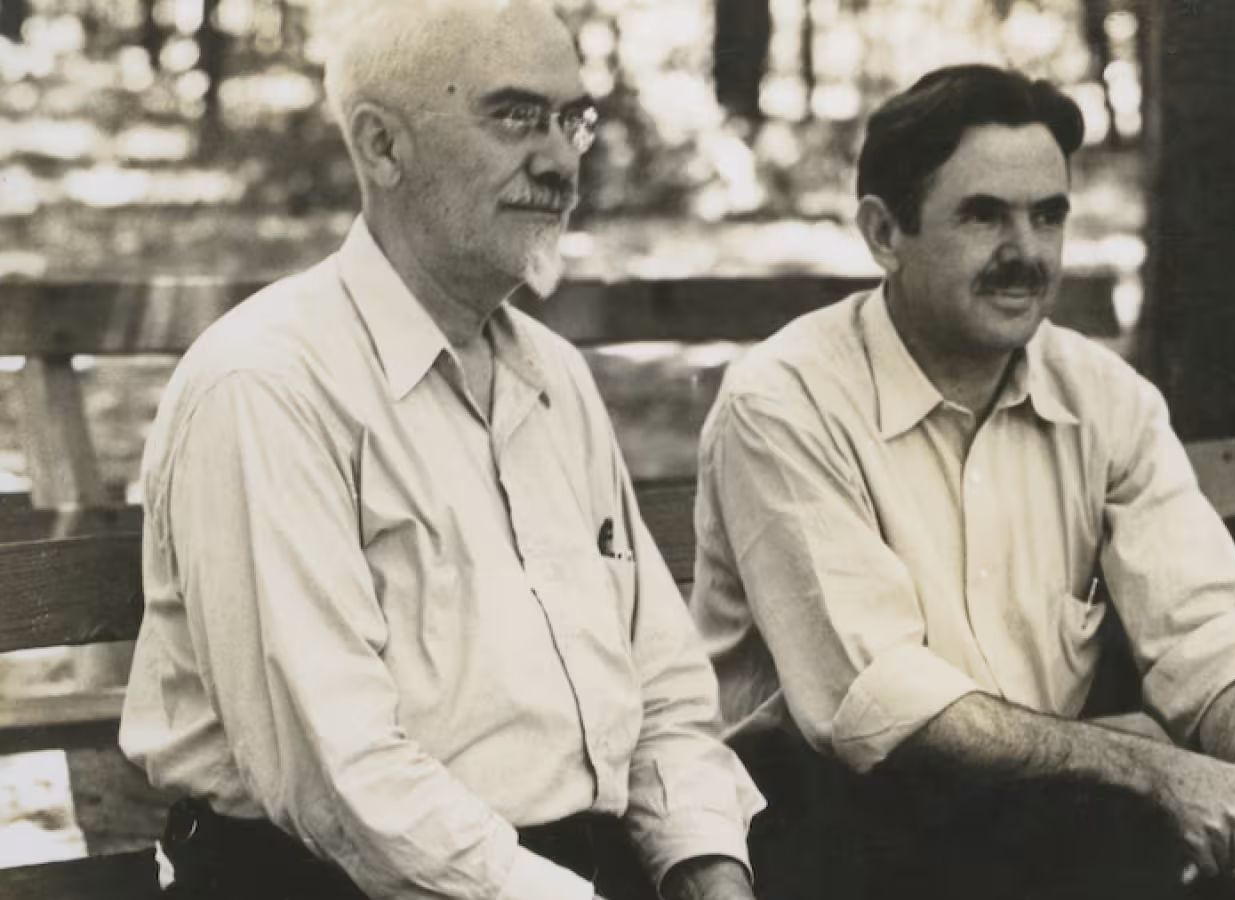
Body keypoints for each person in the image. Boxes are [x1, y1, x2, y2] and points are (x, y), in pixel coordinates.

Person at [690, 64, 1235, 900]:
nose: (1026, 253)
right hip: (823, 818)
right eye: (984, 216)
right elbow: (882, 709)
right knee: (1099, 857)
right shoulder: (785, 403)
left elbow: (1212, 636)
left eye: (1049, 215)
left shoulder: (1104, 399)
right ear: (884, 234)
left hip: (1035, 807)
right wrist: (1155, 773)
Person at [119, 2, 762, 898]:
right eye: (515, 117)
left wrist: (705, 862)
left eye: (572, 119)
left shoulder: (553, 377)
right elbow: (343, 780)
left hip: (559, 873)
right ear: (382, 147)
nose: (561, 161)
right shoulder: (266, 386)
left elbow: (661, 687)